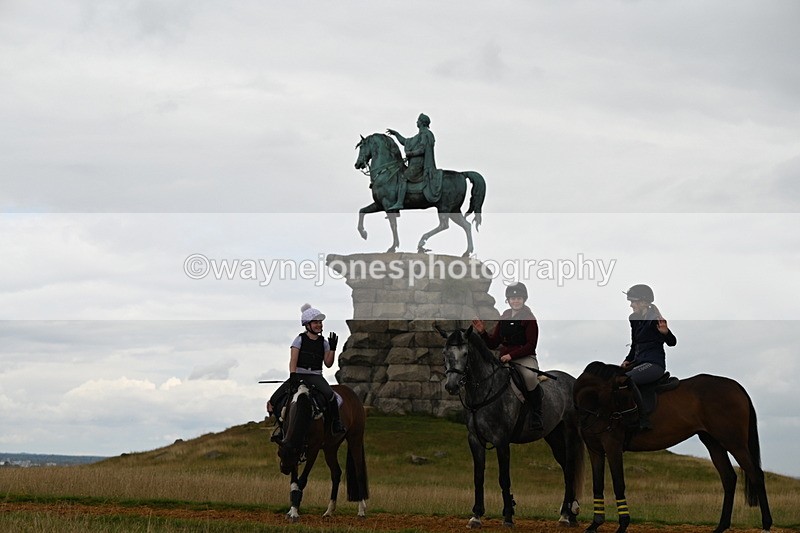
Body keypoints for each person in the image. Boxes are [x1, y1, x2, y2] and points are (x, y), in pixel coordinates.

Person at [471, 282, 543, 431]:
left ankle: (537, 414)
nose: (515, 301)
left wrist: (511, 355)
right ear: (508, 300)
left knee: (529, 377)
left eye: (518, 298)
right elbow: (493, 343)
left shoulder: (529, 319)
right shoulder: (504, 317)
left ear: (524, 299)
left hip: (525, 358)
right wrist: (483, 332)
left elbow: (531, 345)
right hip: (505, 359)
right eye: (512, 298)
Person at [268, 303, 344, 441]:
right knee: (273, 400)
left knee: (330, 395)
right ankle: (282, 430)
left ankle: (336, 423)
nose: (319, 325)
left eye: (320, 322)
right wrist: (293, 375)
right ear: (307, 325)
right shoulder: (299, 340)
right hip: (299, 374)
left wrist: (332, 349)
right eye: (315, 322)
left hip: (315, 375)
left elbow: (328, 363)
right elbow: (293, 360)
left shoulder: (324, 342)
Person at [621, 284, 677, 430]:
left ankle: (643, 420)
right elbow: (635, 344)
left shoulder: (655, 319)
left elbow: (672, 342)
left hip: (654, 364)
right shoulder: (634, 318)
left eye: (634, 302)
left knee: (628, 380)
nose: (631, 305)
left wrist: (665, 333)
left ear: (644, 302)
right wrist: (627, 359)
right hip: (638, 363)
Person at [385, 112, 436, 211]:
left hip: (419, 165)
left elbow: (422, 150)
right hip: (414, 164)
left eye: (418, 120)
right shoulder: (419, 135)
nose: (416, 122)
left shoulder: (426, 134)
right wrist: (396, 134)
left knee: (403, 178)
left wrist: (410, 154)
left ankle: (399, 203)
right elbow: (405, 141)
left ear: (421, 122)